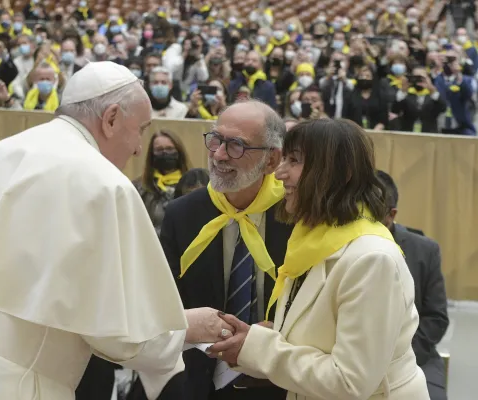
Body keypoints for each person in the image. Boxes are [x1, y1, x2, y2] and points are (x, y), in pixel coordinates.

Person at [0, 61, 233, 400]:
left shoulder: (3, 150)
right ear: (111, 118)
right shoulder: (105, 183)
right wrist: (186, 326)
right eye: (140, 130)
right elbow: (119, 336)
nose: (140, 147)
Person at [208, 119, 430, 400]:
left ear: (341, 173)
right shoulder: (312, 241)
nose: (279, 174)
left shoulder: (372, 260)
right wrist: (267, 336)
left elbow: (349, 382)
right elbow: (320, 340)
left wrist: (257, 348)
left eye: (295, 160)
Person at [133, 100, 292, 400]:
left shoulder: (296, 213)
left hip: (281, 380)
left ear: (272, 160)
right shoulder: (183, 213)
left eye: (236, 146)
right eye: (216, 139)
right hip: (202, 383)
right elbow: (164, 301)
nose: (218, 154)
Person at [377, 170, 449, 400]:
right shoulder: (339, 245)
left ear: (391, 215)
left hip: (415, 354)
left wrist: (399, 357)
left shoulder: (425, 250)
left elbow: (436, 318)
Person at [134, 131, 191, 235]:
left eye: (170, 149)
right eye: (159, 150)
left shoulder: (192, 185)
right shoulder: (139, 187)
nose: (165, 153)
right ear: (152, 154)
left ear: (179, 151)